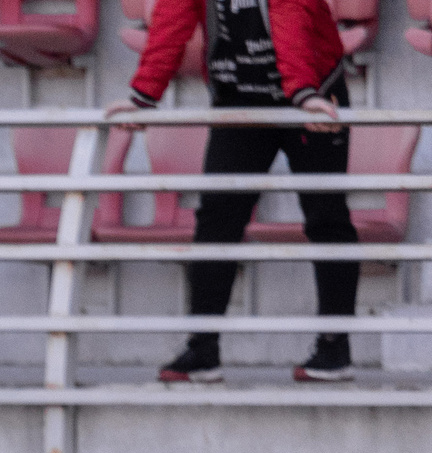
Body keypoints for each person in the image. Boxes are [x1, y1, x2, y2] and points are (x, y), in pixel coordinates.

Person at [112, 0, 357, 383]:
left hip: (314, 96)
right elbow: (171, 21)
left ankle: (334, 348)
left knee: (327, 217)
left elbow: (291, 21)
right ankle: (202, 348)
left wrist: (304, 95)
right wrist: (143, 97)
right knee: (216, 219)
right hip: (241, 100)